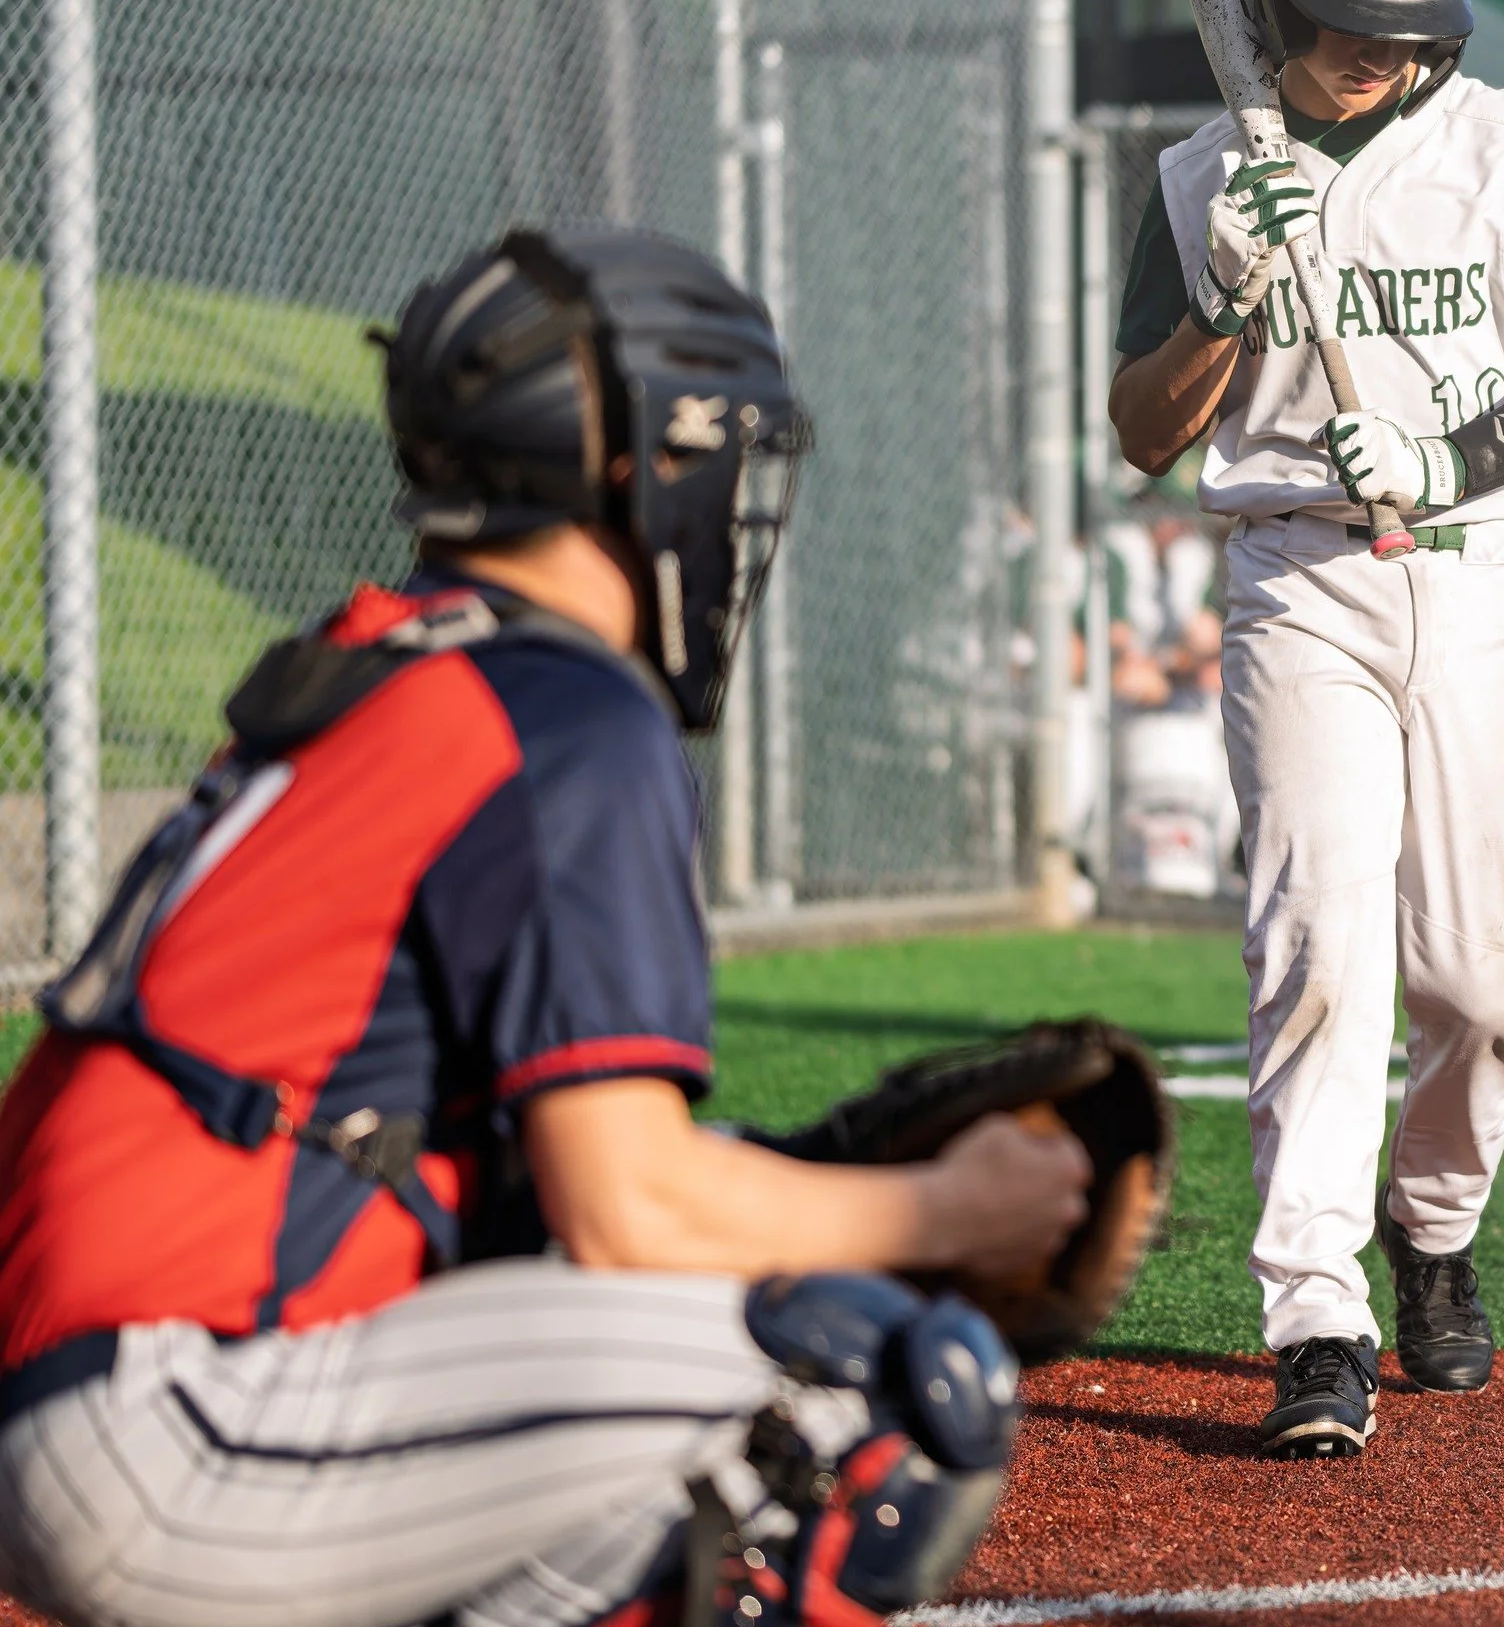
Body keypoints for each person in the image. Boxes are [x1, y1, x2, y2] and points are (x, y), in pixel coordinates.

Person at [0, 229, 1090, 1627]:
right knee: (856, 1376)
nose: (734, 503)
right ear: (643, 467)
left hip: (101, 1383)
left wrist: (773, 1180)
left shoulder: (397, 658)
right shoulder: (566, 712)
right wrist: (945, 1209)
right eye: (722, 456)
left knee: (690, 1329)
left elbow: (505, 1172)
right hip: (177, 1417)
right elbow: (624, 1211)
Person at [1108, 0, 1504, 1457]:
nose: (1378, 57)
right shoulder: (1199, 178)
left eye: (1407, 34)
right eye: (1347, 27)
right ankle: (1314, 1312)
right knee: (1318, 951)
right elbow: (1141, 428)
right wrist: (1223, 299)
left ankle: (1433, 1219)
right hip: (1299, 582)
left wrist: (1447, 454)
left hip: (1474, 572)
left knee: (1482, 978)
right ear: (1277, 11)